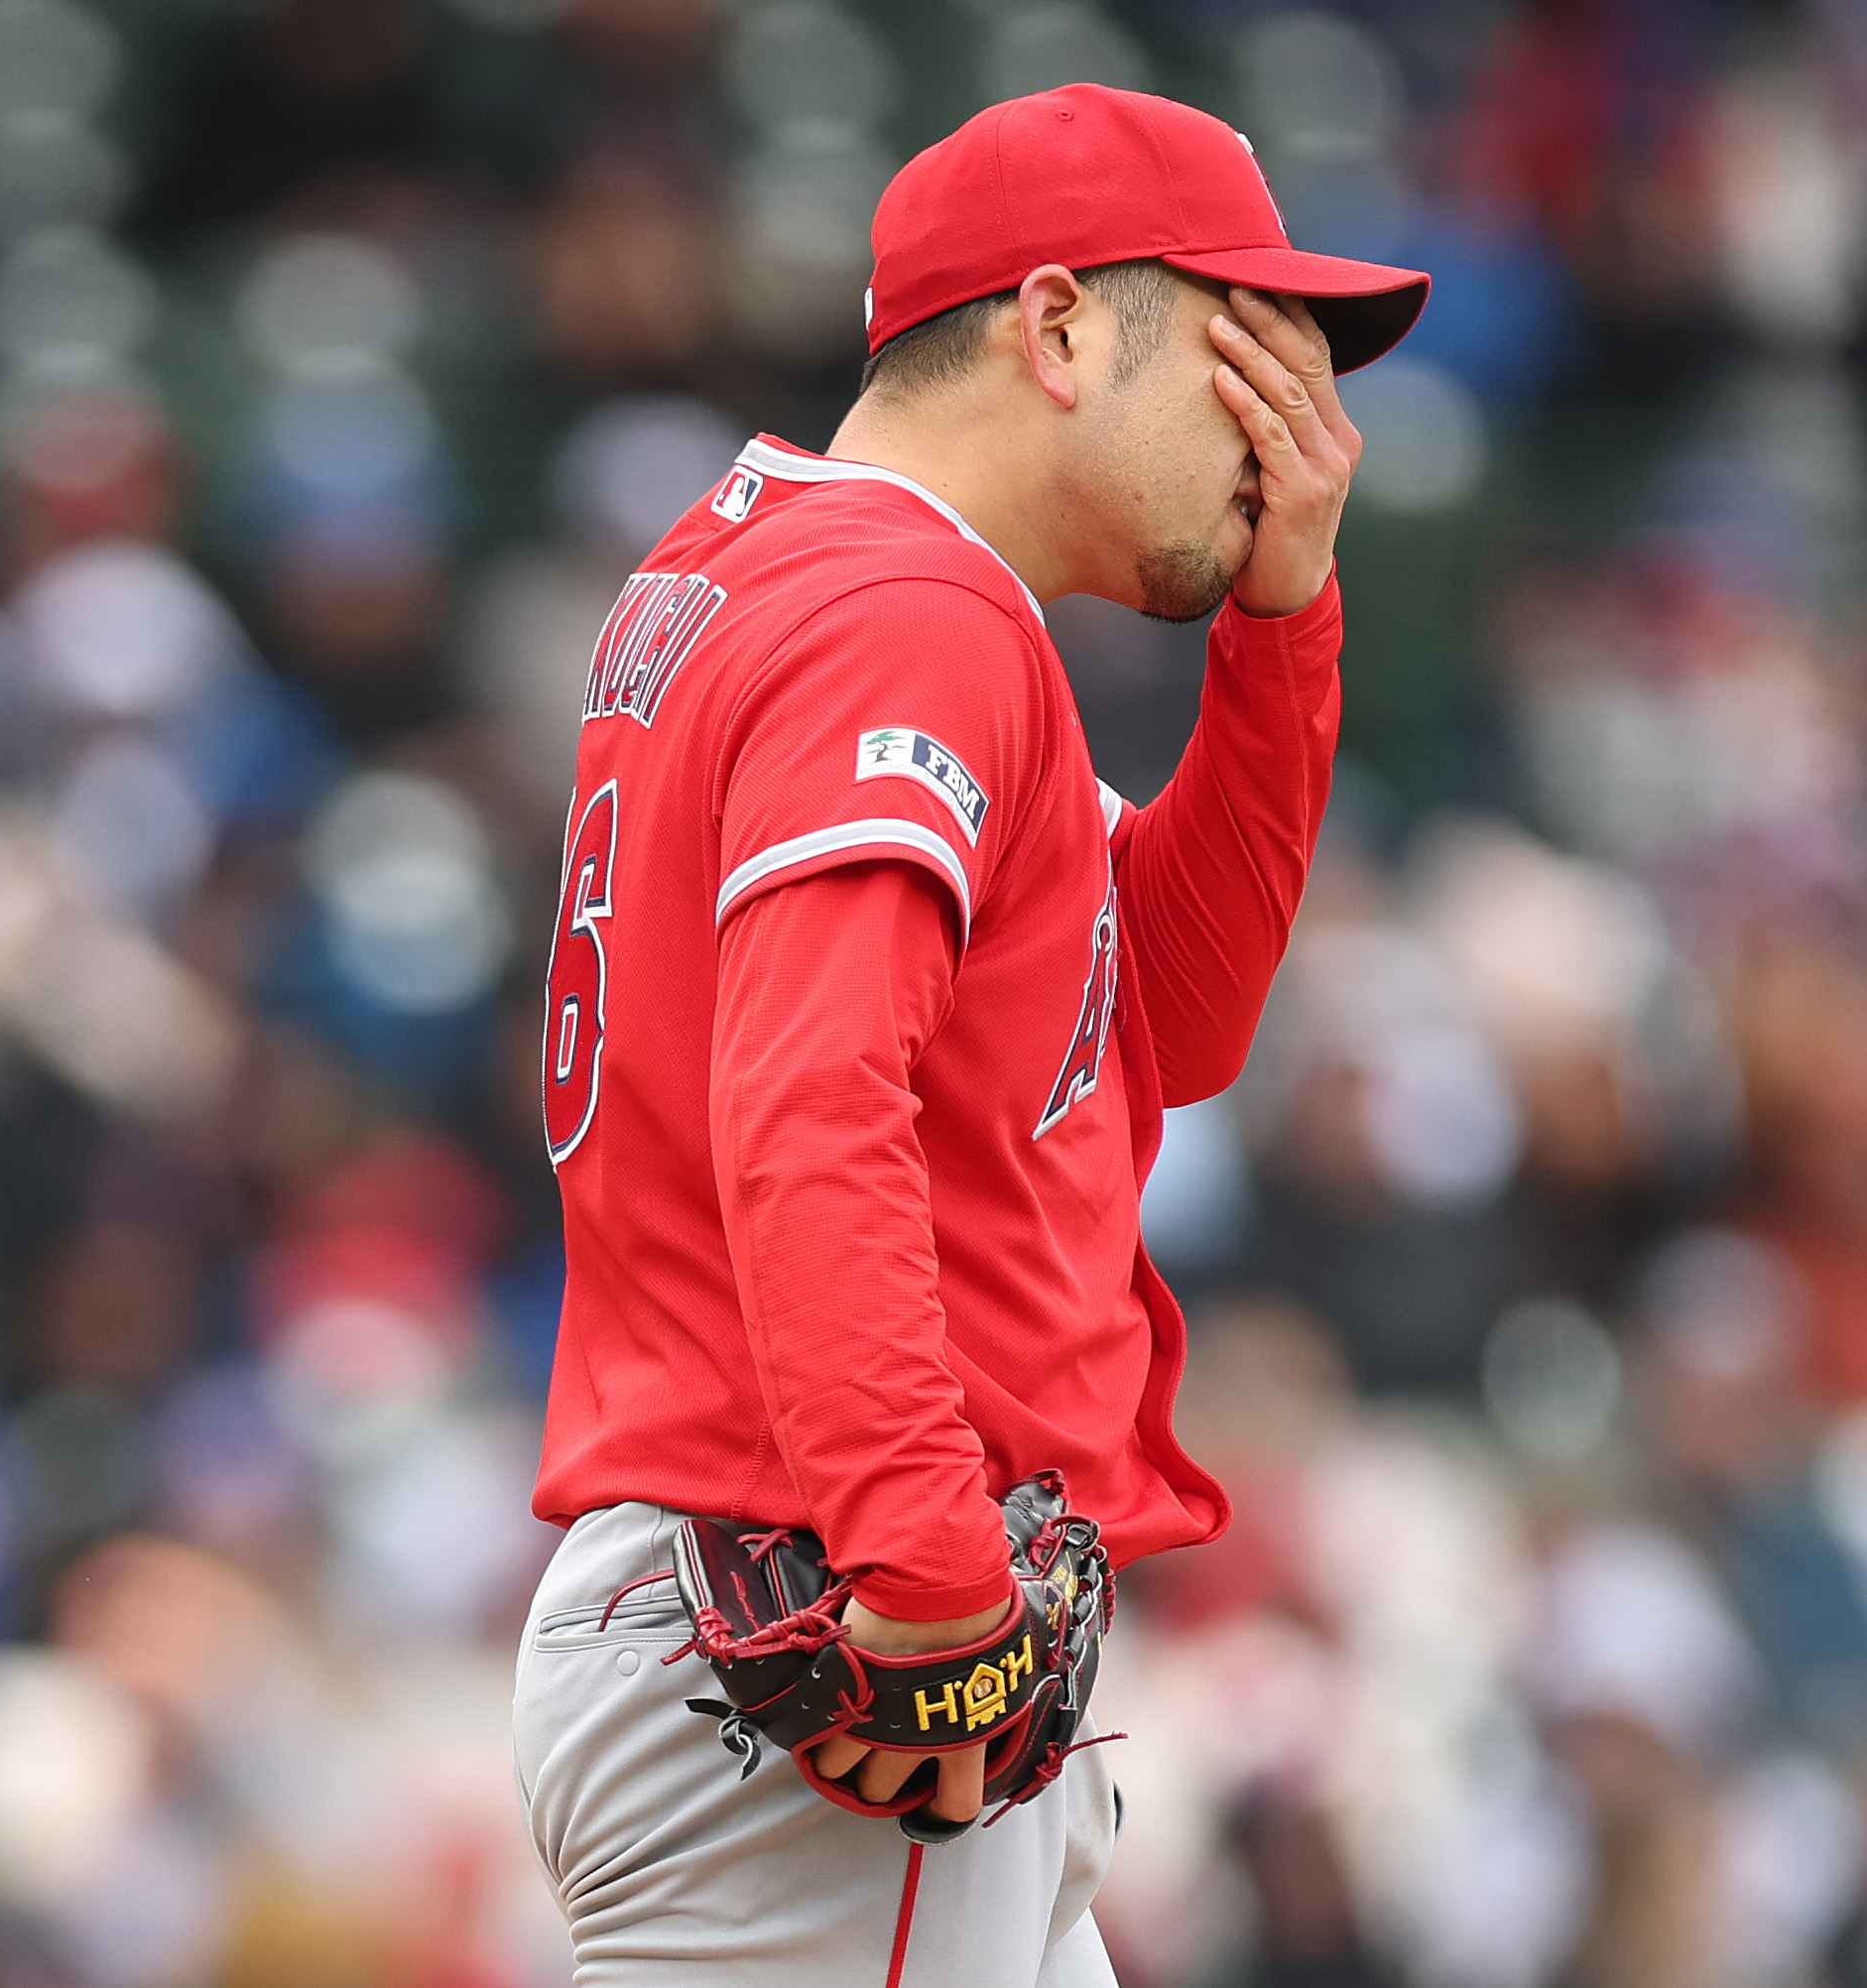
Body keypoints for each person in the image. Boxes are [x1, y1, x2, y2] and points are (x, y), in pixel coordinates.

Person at [510, 84, 1431, 1987]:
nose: (1287, 433)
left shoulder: (796, 563)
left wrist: (1283, 630)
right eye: (1238, 353)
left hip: (767, 1569)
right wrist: (928, 1569)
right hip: (823, 1599)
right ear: (1062, 324)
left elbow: (1158, 1020)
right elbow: (806, 1107)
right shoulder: (903, 613)